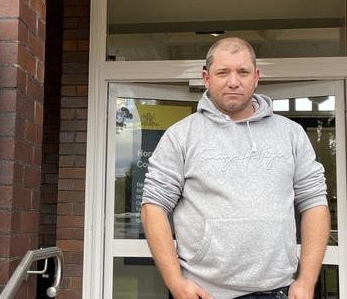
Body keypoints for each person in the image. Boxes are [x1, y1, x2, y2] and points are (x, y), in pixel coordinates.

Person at [141, 37, 330, 299]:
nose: (233, 81)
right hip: (201, 292)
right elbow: (154, 206)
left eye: (243, 72)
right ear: (206, 78)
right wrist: (175, 282)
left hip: (277, 291)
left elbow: (315, 203)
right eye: (223, 72)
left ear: (256, 77)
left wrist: (307, 281)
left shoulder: (291, 135)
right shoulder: (181, 136)